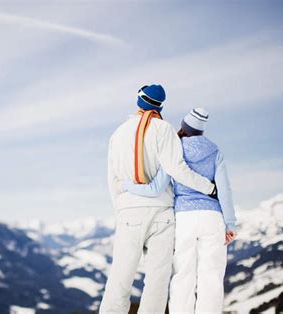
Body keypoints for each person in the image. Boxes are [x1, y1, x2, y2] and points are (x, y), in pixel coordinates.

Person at [99, 85, 217, 313]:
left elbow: (112, 179)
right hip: (161, 213)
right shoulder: (164, 129)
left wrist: (121, 210)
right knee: (157, 279)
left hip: (128, 211)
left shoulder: (118, 134)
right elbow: (177, 169)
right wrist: (209, 188)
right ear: (160, 106)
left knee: (120, 276)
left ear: (138, 100)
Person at [122, 108, 237, 313]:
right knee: (211, 275)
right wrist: (230, 223)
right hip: (212, 217)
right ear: (202, 131)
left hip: (184, 218)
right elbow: (224, 190)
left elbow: (156, 188)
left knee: (182, 273)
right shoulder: (215, 151)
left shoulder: (174, 150)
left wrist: (128, 186)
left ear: (183, 127)